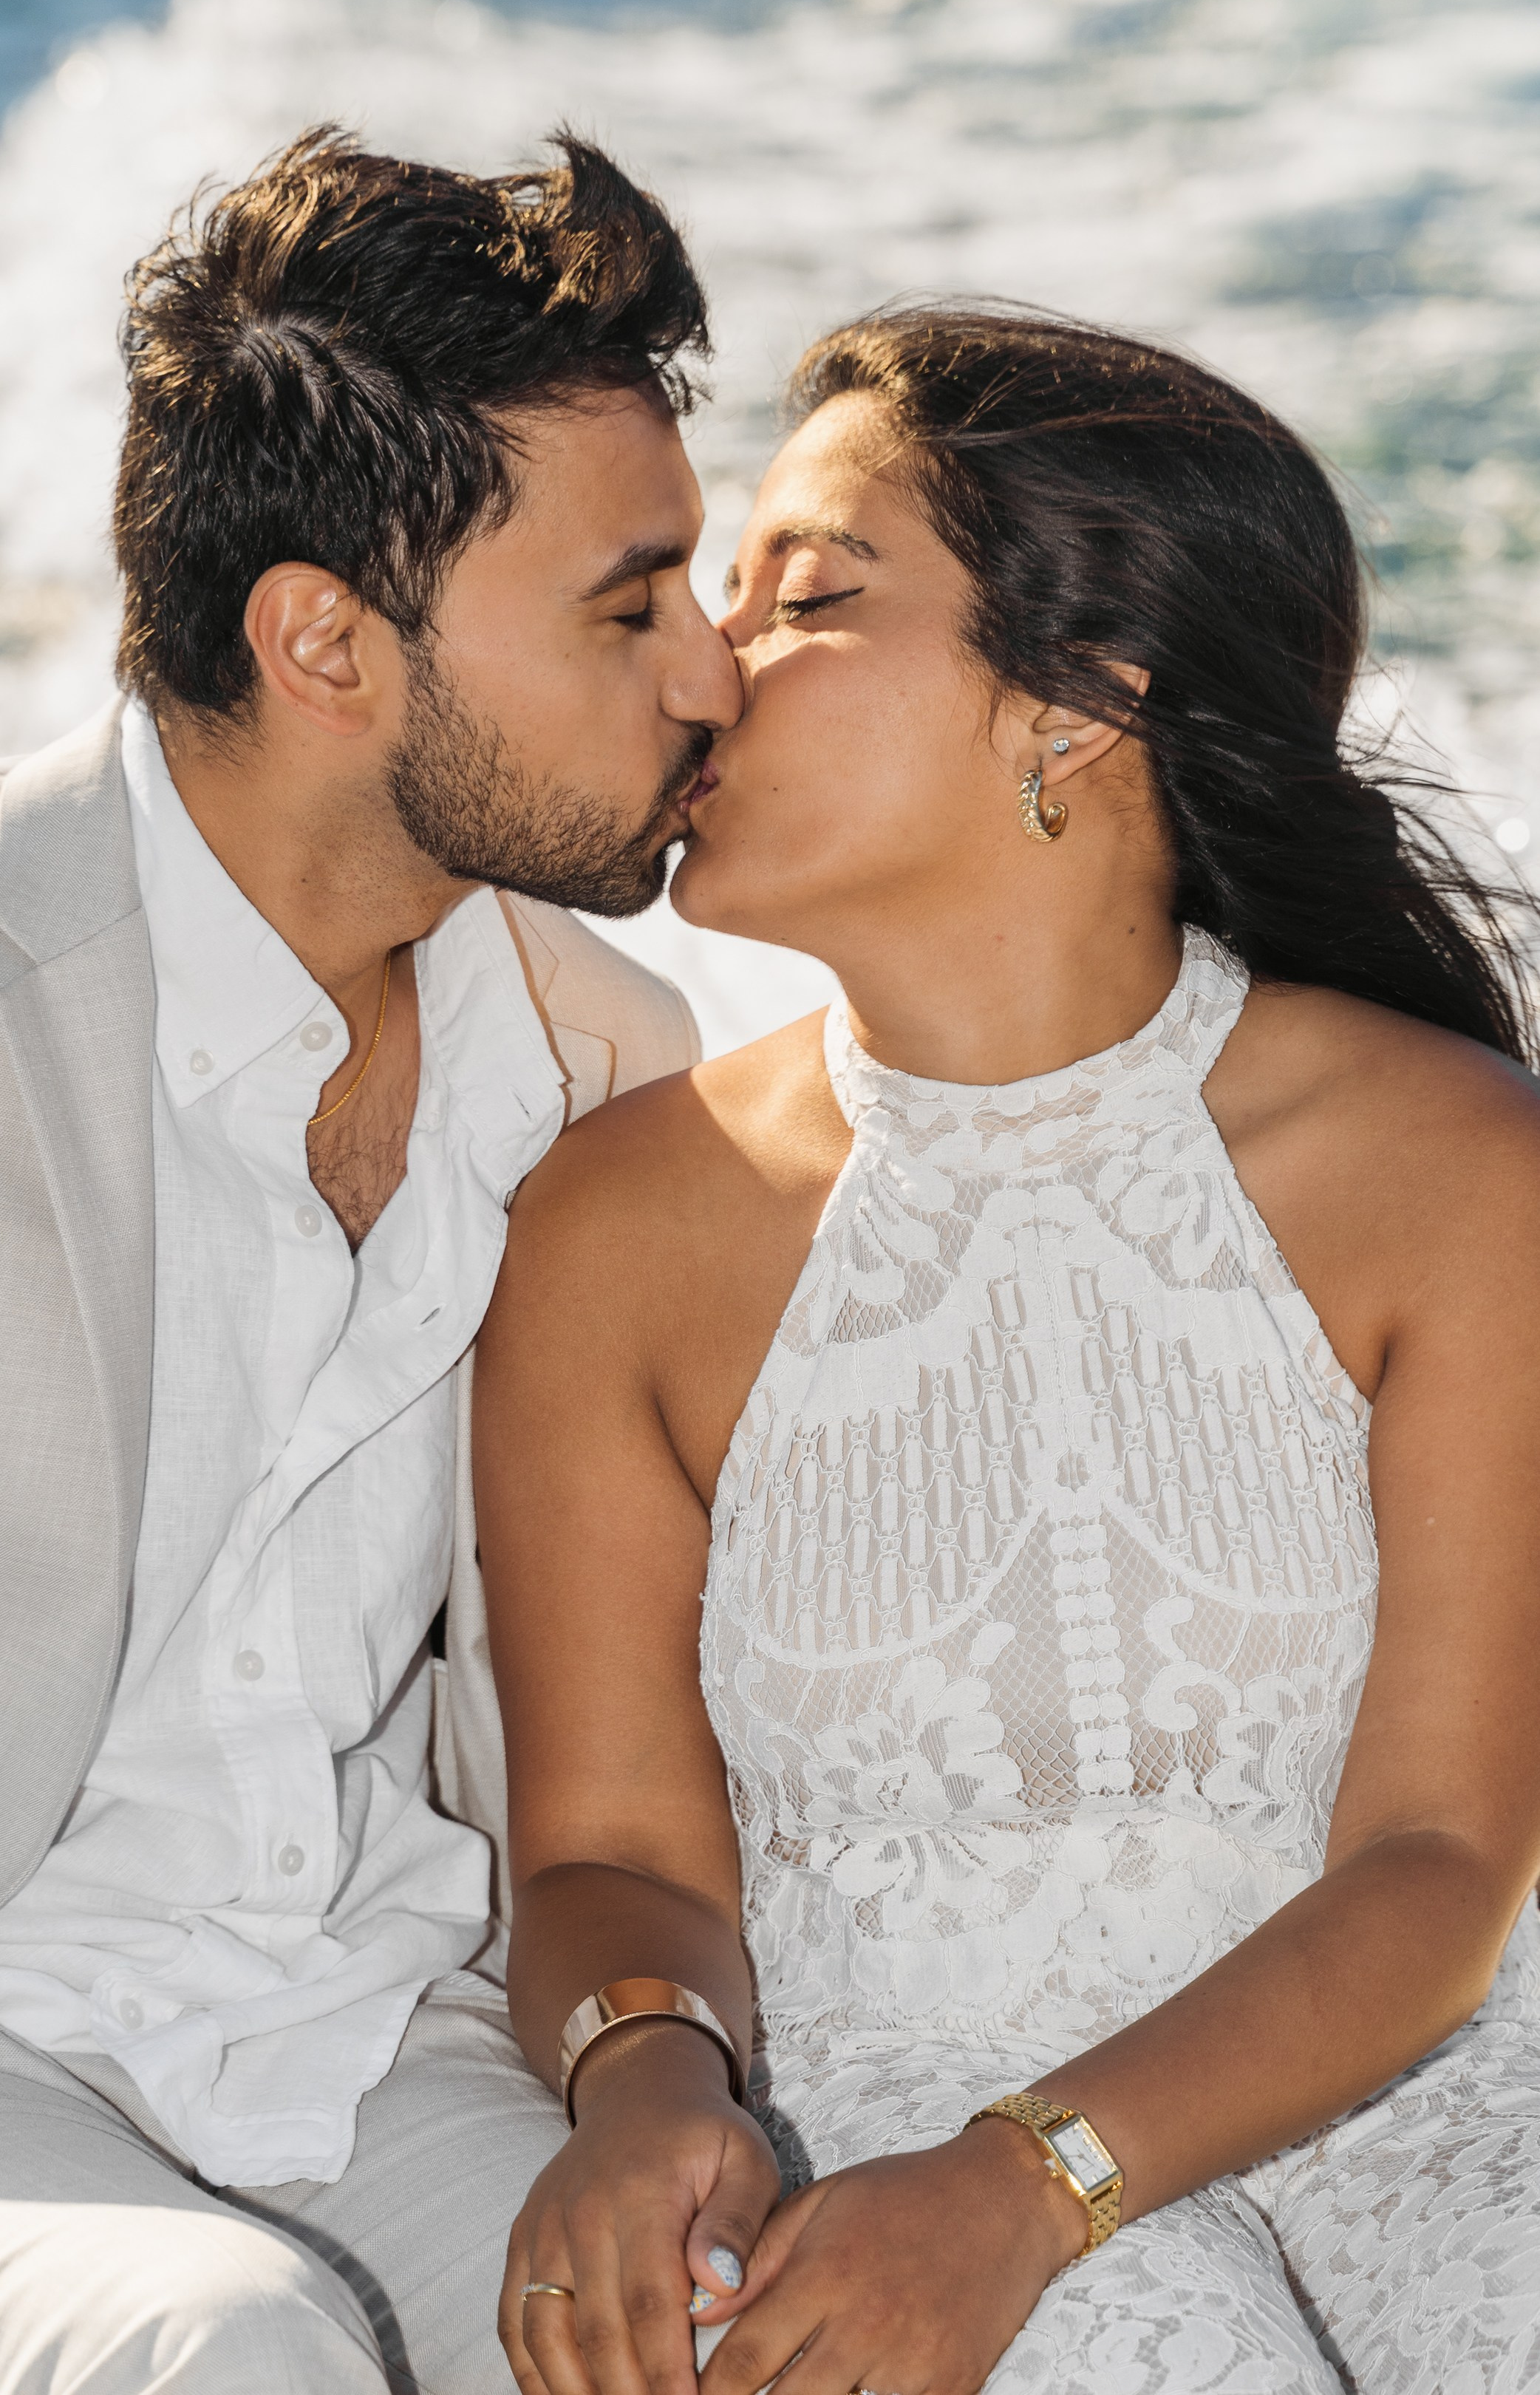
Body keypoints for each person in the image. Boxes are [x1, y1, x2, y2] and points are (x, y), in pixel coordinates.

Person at [0, 126, 744, 2395]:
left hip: (362, 2036)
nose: (715, 674)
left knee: (760, 2345)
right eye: (626, 604)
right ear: (321, 644)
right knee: (225, 2356)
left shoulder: (599, 1061)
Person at [477, 308, 1540, 2395]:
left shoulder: (1454, 1167)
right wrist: (642, 2086)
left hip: (1402, 2082)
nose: (701, 664)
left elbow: (1440, 1857)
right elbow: (610, 1850)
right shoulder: (609, 1226)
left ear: (1077, 705)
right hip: (871, 2132)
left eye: (806, 601)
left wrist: (1032, 2180)